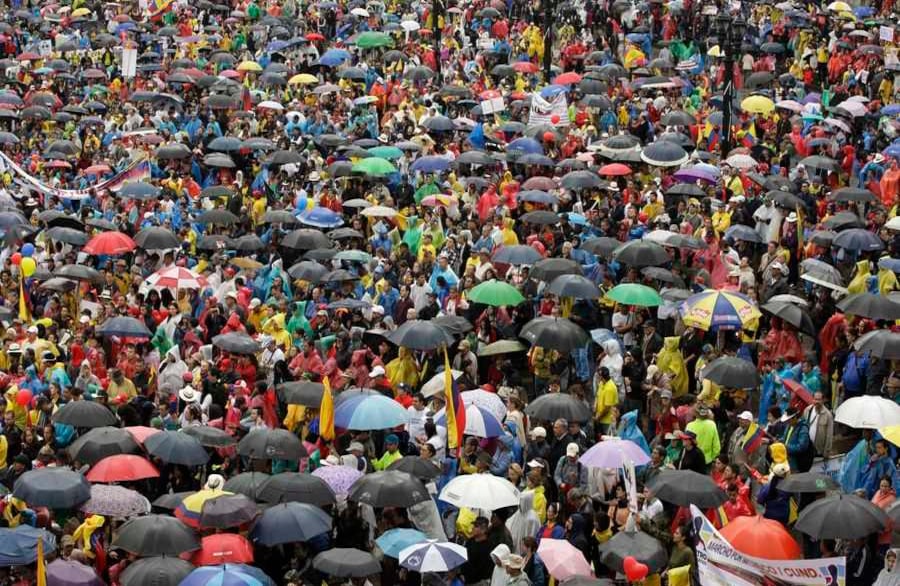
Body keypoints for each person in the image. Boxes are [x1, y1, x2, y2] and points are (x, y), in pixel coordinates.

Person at [803, 391, 834, 458]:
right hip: (807, 447)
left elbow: (829, 435)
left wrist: (826, 452)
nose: (816, 401)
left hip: (818, 450)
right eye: (815, 399)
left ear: (823, 400)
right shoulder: (807, 410)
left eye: (819, 399)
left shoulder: (828, 415)